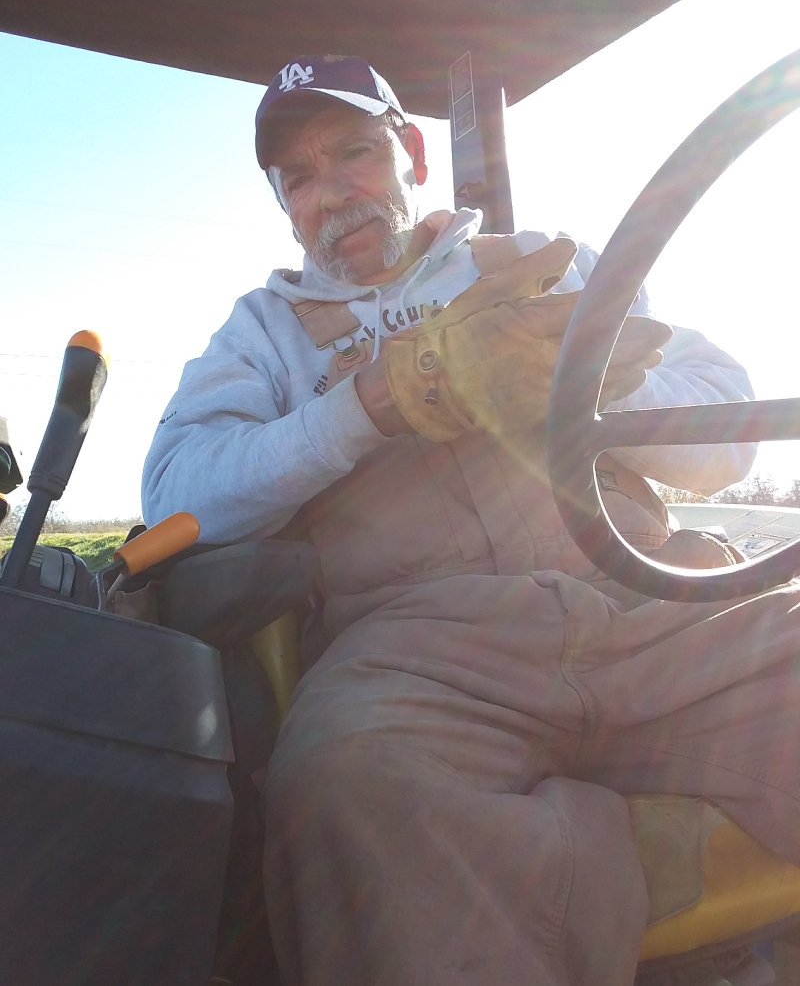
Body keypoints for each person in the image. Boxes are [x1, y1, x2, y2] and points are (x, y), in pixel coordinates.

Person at [142, 55, 800, 986]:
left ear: (411, 151)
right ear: (283, 203)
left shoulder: (552, 263)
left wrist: (575, 380)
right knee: (346, 789)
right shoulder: (263, 334)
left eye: (357, 153)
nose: (333, 194)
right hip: (420, 655)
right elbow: (175, 492)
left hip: (651, 604)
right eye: (300, 177)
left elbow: (729, 430)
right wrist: (373, 401)